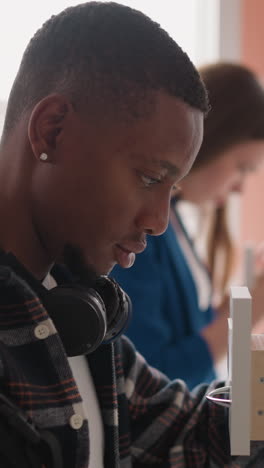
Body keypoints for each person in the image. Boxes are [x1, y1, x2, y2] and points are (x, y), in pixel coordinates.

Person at [0, 3, 262, 466]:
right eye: (147, 178)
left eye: (171, 188)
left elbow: (196, 436)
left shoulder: (82, 317)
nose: (159, 221)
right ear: (52, 131)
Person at [112, 62, 264, 389]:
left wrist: (244, 298)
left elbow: (190, 330)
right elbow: (152, 376)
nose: (240, 188)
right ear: (213, 140)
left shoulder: (175, 223)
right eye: (242, 167)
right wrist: (251, 309)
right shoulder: (143, 233)